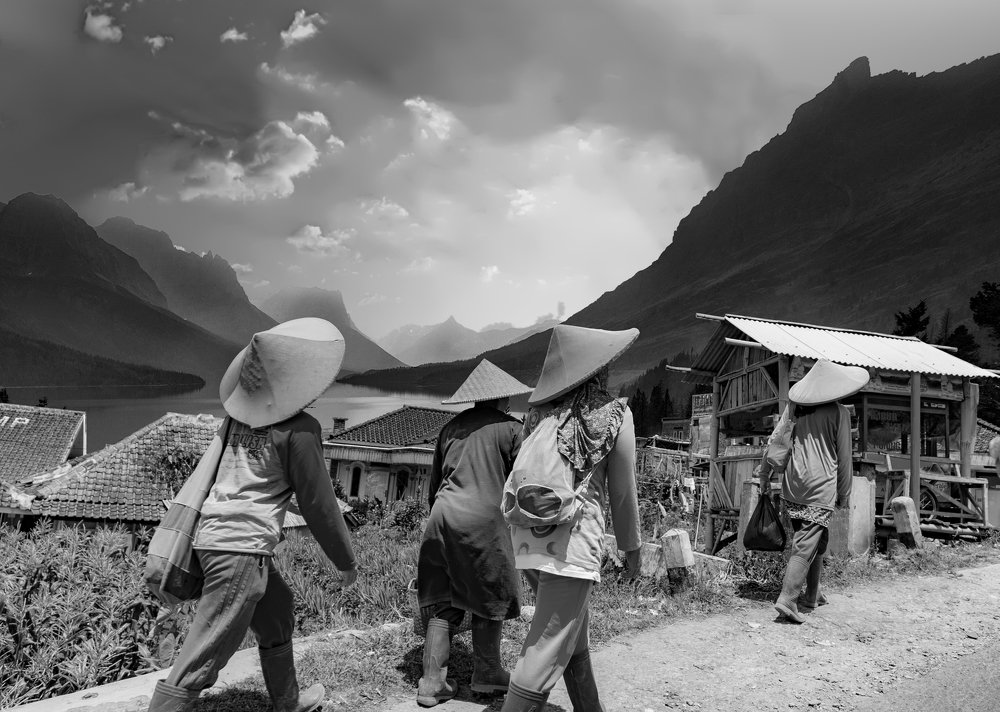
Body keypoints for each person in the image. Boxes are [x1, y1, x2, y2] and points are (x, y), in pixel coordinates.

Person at [147, 318, 358, 712]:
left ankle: (288, 702)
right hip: (241, 550)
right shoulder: (301, 430)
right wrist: (345, 561)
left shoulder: (235, 422)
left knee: (276, 610)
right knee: (202, 654)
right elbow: (319, 505)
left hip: (213, 539)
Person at [501, 325, 643, 712]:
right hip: (572, 544)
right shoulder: (614, 414)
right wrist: (632, 549)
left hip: (528, 539)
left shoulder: (539, 414)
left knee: (569, 630)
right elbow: (622, 493)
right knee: (547, 646)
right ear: (600, 369)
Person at [416, 359, 533, 707]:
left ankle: (431, 683)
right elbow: (522, 485)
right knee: (490, 593)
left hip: (442, 517)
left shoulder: (450, 428)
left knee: (445, 598)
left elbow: (434, 487)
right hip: (485, 520)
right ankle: (488, 674)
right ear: (503, 398)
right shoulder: (512, 430)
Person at [770, 359, 869, 624]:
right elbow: (845, 457)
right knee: (806, 542)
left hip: (793, 483)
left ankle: (813, 594)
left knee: (816, 538)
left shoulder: (795, 407)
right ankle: (788, 598)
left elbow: (777, 439)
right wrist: (845, 493)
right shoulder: (840, 413)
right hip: (820, 484)